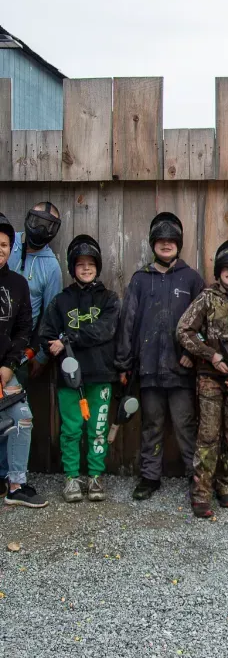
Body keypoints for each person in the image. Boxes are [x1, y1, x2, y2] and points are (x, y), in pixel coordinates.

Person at [115, 212, 204, 501]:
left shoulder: (191, 279)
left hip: (181, 369)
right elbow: (128, 323)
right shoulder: (141, 280)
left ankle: (196, 476)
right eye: (161, 240)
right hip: (149, 369)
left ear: (179, 243)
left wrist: (194, 355)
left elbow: (205, 324)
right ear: (153, 243)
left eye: (171, 240)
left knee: (185, 424)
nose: (166, 245)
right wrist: (125, 363)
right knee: (151, 424)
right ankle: (150, 476)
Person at [39, 235, 120, 503]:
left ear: (98, 266)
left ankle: (95, 476)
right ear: (72, 268)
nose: (85, 268)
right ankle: (72, 477)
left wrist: (68, 339)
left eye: (90, 264)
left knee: (97, 429)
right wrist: (54, 344)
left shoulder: (109, 299)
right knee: (71, 429)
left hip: (101, 375)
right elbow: (46, 335)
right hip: (69, 377)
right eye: (80, 264)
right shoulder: (61, 301)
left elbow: (105, 330)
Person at [177, 240, 228, 519]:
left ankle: (227, 488)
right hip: (208, 378)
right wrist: (210, 356)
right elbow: (184, 330)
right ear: (219, 270)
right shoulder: (207, 297)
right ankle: (201, 494)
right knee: (207, 436)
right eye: (226, 267)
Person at [0, 201, 63, 498]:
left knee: (14, 416)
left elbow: (48, 317)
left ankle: (9, 477)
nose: (40, 229)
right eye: (36, 220)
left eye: (48, 225)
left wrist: (36, 356)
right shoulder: (8, 244)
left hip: (18, 353)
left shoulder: (51, 267)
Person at [0, 213, 40, 507]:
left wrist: (8, 365)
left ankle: (16, 484)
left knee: (21, 418)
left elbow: (25, 328)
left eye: (3, 244)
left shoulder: (17, 284)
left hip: (5, 369)